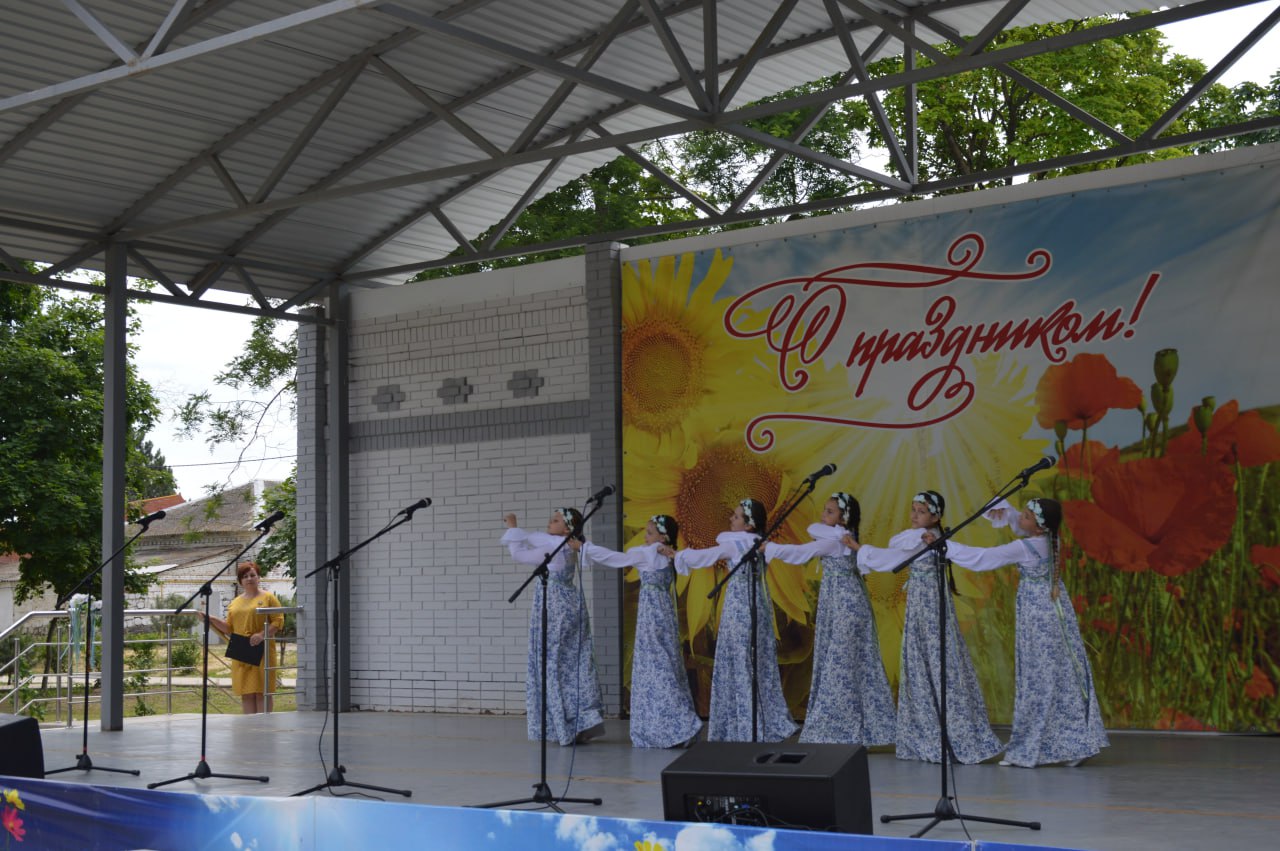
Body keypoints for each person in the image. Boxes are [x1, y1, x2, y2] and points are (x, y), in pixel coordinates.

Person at [934, 497, 1109, 767]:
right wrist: (1008, 512)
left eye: (1027, 516)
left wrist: (947, 547)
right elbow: (1020, 523)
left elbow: (984, 559)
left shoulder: (1025, 547)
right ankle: (1074, 743)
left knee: (1038, 678)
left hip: (1038, 615)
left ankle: (1040, 747)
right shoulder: (1050, 539)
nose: (1020, 518)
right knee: (1059, 674)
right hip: (1054, 611)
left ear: (1039, 527)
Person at [848, 491, 1002, 764]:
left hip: (932, 610)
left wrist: (861, 549)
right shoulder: (920, 537)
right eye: (913, 510)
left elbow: (891, 557)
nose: (914, 515)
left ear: (935, 516)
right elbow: (895, 551)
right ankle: (926, 732)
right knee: (923, 663)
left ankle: (948, 734)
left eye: (921, 511)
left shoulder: (930, 540)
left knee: (937, 662)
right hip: (919, 611)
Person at [762, 493, 895, 746]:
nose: (824, 515)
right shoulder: (839, 537)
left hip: (846, 605)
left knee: (840, 665)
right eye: (824, 510)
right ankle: (859, 730)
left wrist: (771, 548)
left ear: (843, 518)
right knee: (850, 664)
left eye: (830, 511)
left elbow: (803, 552)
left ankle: (838, 730)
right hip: (840, 604)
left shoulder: (836, 540)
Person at [662, 499, 798, 743]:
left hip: (738, 608)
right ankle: (763, 721)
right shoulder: (760, 543)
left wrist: (678, 555)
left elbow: (706, 556)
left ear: (748, 525)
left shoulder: (736, 543)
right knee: (757, 661)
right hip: (758, 606)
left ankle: (743, 724)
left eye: (736, 517)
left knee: (738, 660)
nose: (731, 519)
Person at [569, 515, 702, 748]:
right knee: (664, 666)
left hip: (652, 618)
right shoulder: (665, 555)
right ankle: (672, 727)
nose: (645, 537)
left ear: (663, 537)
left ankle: (679, 724)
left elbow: (614, 558)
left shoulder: (649, 554)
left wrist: (585, 547)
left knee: (657, 668)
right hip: (664, 615)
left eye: (649, 533)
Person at [501, 508, 606, 746]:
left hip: (555, 609)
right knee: (571, 663)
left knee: (553, 663)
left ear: (567, 528)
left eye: (556, 520)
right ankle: (580, 721)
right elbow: (534, 539)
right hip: (570, 604)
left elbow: (519, 555)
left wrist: (512, 527)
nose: (550, 521)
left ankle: (563, 724)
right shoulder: (566, 546)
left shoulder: (555, 547)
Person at [197, 561, 285, 714]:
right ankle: (250, 726)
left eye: (252, 575)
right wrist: (211, 619)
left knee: (262, 691)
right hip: (242, 649)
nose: (249, 578)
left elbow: (278, 621)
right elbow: (229, 628)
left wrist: (261, 635)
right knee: (246, 692)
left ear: (258, 578)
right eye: (245, 576)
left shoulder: (268, 598)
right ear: (240, 581)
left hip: (262, 650)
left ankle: (265, 724)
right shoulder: (235, 602)